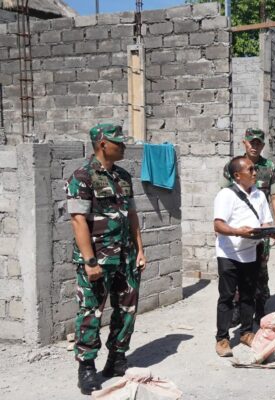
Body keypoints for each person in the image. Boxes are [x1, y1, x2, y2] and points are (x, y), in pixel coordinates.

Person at [65, 123, 146, 395]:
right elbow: (78, 221)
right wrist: (90, 262)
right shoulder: (82, 176)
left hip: (126, 258)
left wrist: (140, 250)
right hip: (98, 259)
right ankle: (86, 367)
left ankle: (117, 358)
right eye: (118, 142)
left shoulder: (123, 176)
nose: (123, 146)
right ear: (102, 144)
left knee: (127, 311)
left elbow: (132, 215)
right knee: (91, 312)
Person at [213, 156, 275, 357]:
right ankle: (222, 338)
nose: (255, 173)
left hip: (252, 251)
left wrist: (273, 231)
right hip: (229, 253)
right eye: (250, 170)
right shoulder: (226, 195)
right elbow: (218, 225)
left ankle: (246, 332)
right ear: (237, 175)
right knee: (227, 296)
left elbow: (266, 222)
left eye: (255, 169)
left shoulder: (258, 194)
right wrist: (237, 232)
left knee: (249, 294)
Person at [222, 128, 275, 326]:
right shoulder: (233, 166)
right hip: (238, 230)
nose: (254, 146)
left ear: (263, 145)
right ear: (244, 143)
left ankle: (260, 306)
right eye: (251, 142)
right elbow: (224, 194)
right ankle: (238, 309)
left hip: (260, 230)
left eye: (258, 143)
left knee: (260, 270)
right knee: (238, 269)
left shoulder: (270, 167)